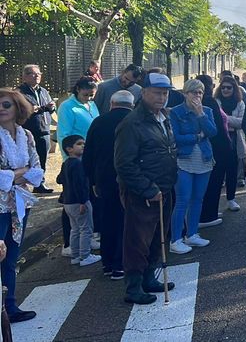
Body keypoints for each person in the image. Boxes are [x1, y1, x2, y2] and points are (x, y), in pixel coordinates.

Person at [114, 72, 178, 305]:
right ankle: (133, 287)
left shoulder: (163, 118)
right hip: (145, 193)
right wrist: (148, 189)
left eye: (165, 93)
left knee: (158, 237)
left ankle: (149, 279)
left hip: (165, 188)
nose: (162, 97)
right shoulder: (132, 123)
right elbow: (124, 164)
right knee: (137, 240)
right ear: (144, 93)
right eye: (158, 93)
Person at [0, 88, 43, 322]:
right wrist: (19, 174)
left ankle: (10, 307)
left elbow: (36, 170)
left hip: (19, 205)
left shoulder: (26, 135)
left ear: (18, 108)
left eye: (6, 105)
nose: (1, 109)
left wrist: (13, 175)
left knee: (11, 256)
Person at [82, 89, 133, 280]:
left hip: (104, 179)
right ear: (131, 104)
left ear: (112, 103)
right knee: (126, 221)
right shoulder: (134, 121)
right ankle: (120, 263)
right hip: (128, 178)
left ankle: (107, 263)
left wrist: (92, 180)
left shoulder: (98, 121)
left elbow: (88, 154)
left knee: (107, 220)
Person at [168, 79, 217, 255]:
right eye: (194, 92)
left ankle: (192, 233)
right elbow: (176, 138)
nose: (197, 96)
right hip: (184, 159)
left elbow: (212, 132)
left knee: (198, 198)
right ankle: (175, 239)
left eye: (200, 93)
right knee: (182, 199)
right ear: (185, 93)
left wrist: (201, 115)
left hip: (204, 158)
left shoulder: (207, 111)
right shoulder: (176, 112)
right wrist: (196, 136)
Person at [58, 135, 102, 267]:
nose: (83, 146)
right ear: (69, 149)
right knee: (86, 229)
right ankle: (85, 255)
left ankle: (76, 255)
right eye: (79, 144)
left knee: (75, 229)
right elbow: (81, 185)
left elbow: (59, 179)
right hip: (80, 202)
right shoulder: (78, 164)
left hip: (67, 201)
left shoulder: (66, 164)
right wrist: (83, 201)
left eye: (83, 143)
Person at [196, 75, 229, 228]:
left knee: (210, 182)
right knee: (214, 181)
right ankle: (208, 215)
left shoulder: (202, 102)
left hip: (209, 146)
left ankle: (211, 212)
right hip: (218, 146)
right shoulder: (209, 101)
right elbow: (218, 127)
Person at [18, 64, 55, 193]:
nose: (37, 76)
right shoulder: (20, 92)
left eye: (39, 73)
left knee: (42, 158)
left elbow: (49, 106)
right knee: (26, 160)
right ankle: (23, 184)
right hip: (28, 131)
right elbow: (24, 110)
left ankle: (40, 183)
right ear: (25, 77)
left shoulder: (43, 91)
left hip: (43, 129)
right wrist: (40, 108)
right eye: (33, 74)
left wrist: (51, 107)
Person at [215, 76, 246, 211]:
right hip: (219, 141)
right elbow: (215, 122)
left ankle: (231, 199)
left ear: (234, 89)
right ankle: (213, 204)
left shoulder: (240, 103)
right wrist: (230, 122)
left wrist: (224, 119)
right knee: (218, 172)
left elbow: (241, 123)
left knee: (232, 170)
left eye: (229, 87)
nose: (226, 90)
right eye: (223, 87)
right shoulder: (216, 102)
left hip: (234, 140)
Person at [57, 77, 99, 161]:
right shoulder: (66, 107)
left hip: (93, 152)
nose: (88, 98)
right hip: (77, 156)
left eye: (91, 95)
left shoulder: (92, 105)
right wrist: (67, 158)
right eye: (85, 95)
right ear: (78, 89)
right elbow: (63, 134)